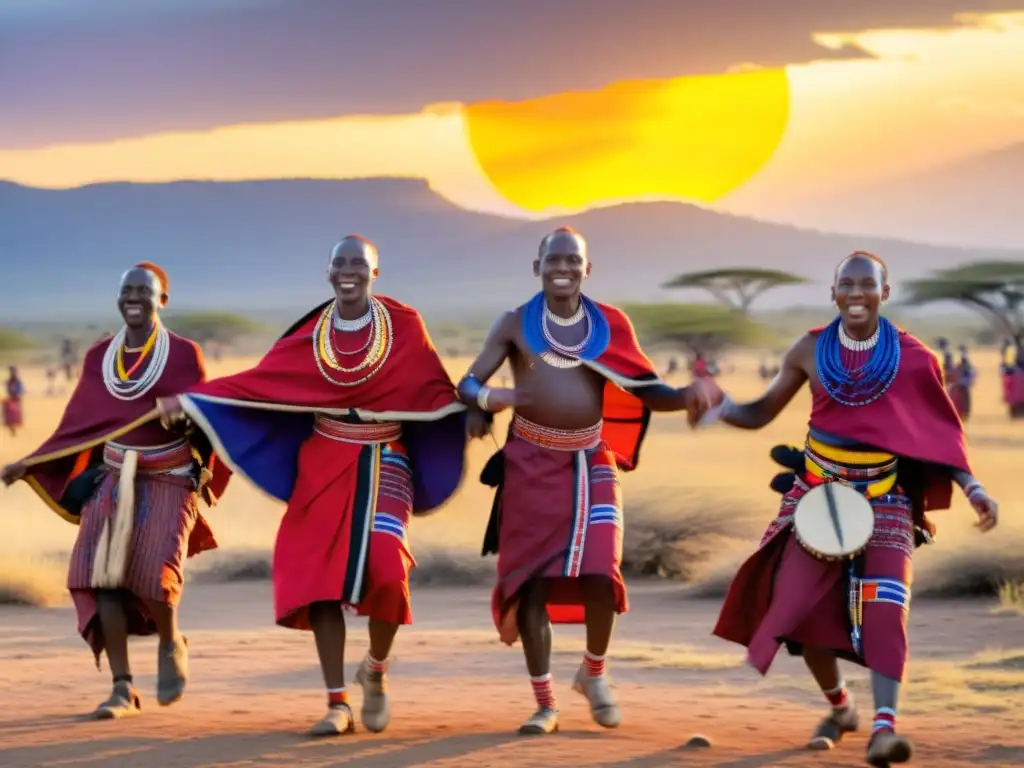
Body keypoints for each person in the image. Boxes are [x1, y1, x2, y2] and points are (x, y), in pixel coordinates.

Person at [157, 236, 468, 737]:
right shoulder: (311, 334)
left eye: (359, 264)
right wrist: (192, 399)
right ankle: (336, 703)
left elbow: (433, 387)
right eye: (340, 264)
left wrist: (467, 409)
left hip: (388, 459)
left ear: (375, 272)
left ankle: (376, 670)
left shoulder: (404, 325)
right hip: (322, 461)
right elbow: (259, 382)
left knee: (388, 574)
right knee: (321, 583)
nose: (349, 272)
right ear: (328, 273)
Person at [702, 252, 998, 766]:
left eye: (868, 285)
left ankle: (885, 730)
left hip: (885, 499)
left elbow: (941, 437)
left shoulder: (913, 357)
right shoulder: (810, 348)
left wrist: (973, 489)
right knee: (802, 612)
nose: (856, 293)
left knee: (886, 609)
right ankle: (841, 708)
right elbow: (760, 412)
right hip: (815, 498)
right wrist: (722, 406)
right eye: (847, 284)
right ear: (833, 292)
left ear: (886, 293)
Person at [458, 227, 716, 735]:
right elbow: (469, 382)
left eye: (573, 260)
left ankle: (594, 672)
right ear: (537, 268)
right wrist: (494, 401)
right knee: (531, 585)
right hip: (529, 461)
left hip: (592, 463)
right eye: (554, 259)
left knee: (601, 571)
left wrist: (687, 394)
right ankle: (545, 703)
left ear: (587, 269)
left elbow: (648, 389)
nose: (564, 267)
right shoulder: (514, 324)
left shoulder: (608, 325)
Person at [1, 263, 231, 719]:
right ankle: (122, 687)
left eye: (145, 291)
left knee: (154, 577)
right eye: (127, 290)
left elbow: (208, 418)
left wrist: (182, 415)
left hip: (169, 475)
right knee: (101, 576)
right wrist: (30, 462)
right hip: (111, 476)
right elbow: (78, 427)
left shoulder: (185, 355)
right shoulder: (98, 357)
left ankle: (171, 640)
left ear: (162, 300)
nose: (134, 297)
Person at [3, 365, 25, 436]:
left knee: (13, 415)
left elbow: (20, 389)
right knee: (10, 416)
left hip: (15, 399)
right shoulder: (10, 381)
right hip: (11, 398)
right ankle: (11, 428)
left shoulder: (17, 381)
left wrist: (18, 394)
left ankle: (13, 428)